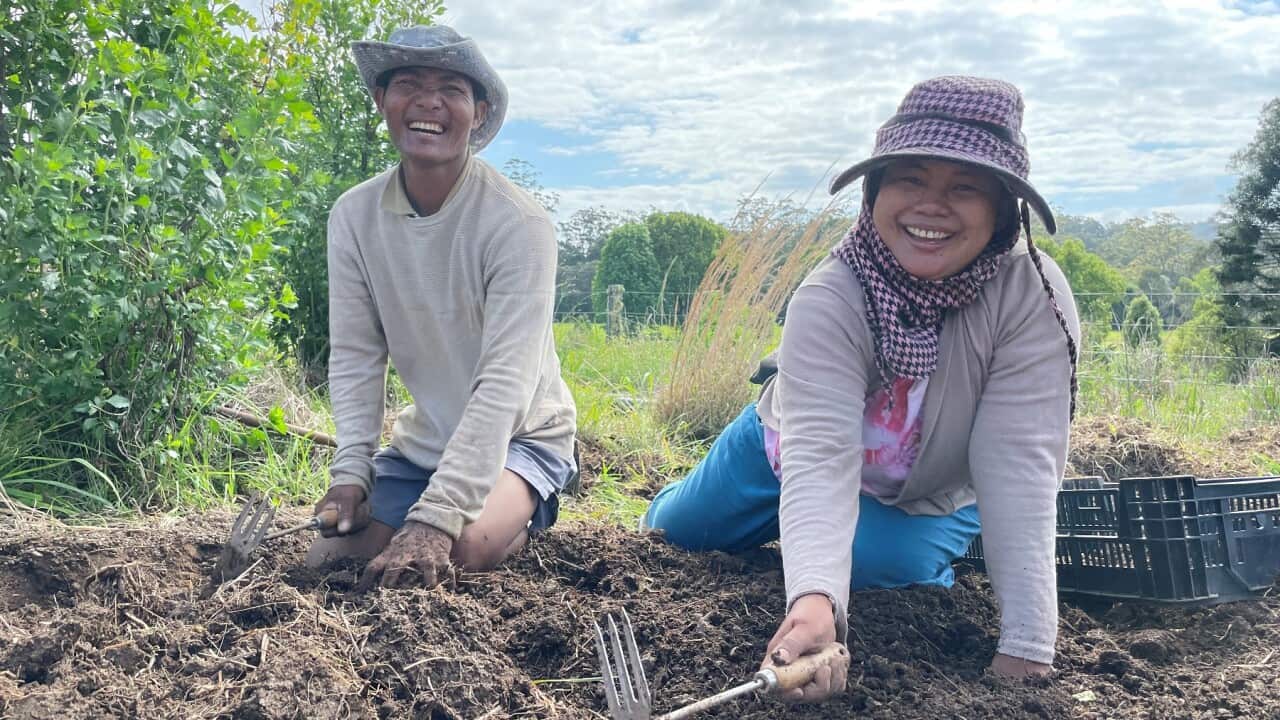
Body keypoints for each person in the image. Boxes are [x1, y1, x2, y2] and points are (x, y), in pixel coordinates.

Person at [644, 76, 1080, 702]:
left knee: (880, 568)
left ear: (1004, 208)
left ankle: (827, 548)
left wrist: (1027, 651)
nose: (931, 206)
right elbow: (819, 456)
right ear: (875, 191)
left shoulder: (1030, 296)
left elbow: (1020, 466)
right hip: (784, 450)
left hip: (918, 495)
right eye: (910, 179)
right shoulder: (832, 293)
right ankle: (749, 521)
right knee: (677, 534)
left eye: (964, 187)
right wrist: (815, 601)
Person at [305, 25, 577, 590]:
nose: (429, 102)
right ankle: (430, 503)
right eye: (409, 83)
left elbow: (506, 382)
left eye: (451, 89)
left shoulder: (517, 224)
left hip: (523, 437)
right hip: (427, 440)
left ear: (477, 113)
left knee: (463, 547)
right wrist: (351, 472)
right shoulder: (354, 217)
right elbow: (357, 354)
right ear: (382, 100)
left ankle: (521, 512)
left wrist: (436, 516)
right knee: (329, 561)